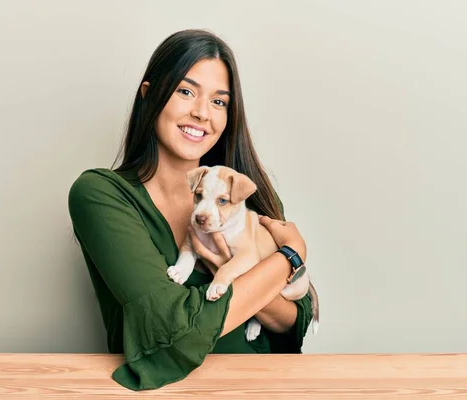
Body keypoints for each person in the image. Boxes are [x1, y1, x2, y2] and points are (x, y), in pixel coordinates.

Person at [68, 29, 314, 391]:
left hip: (265, 387)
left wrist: (229, 275)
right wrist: (289, 257)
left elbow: (295, 321)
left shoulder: (245, 198)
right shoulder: (102, 195)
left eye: (219, 102)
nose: (201, 113)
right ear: (149, 95)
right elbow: (174, 333)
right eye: (186, 91)